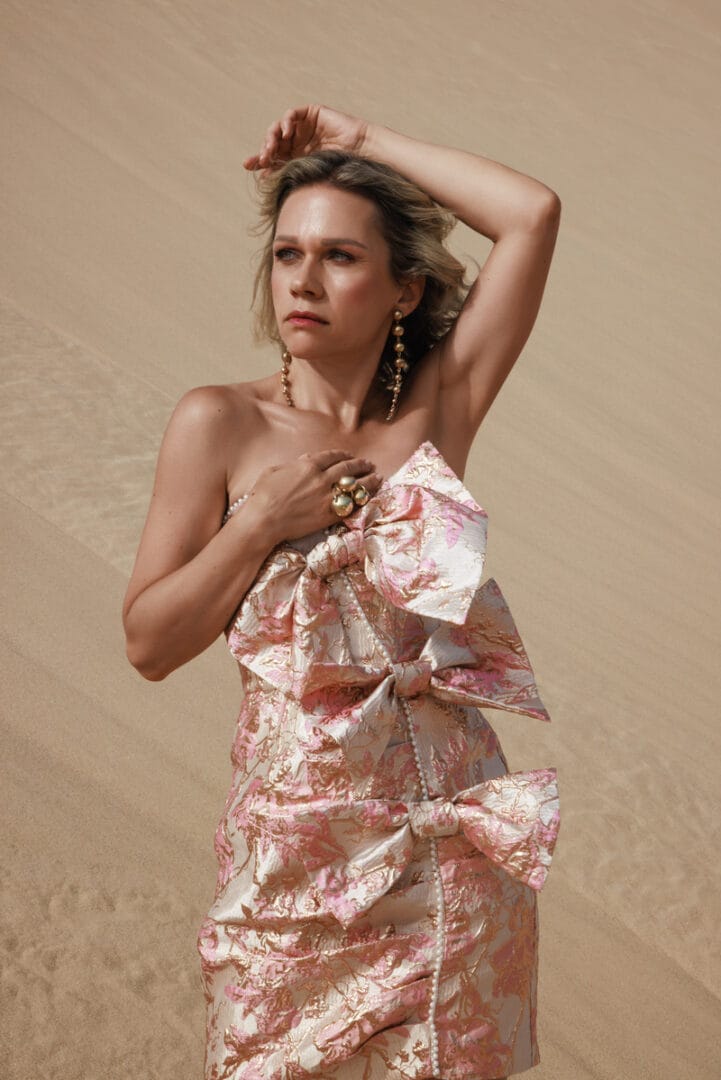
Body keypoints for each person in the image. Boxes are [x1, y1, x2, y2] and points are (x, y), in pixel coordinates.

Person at [123, 104, 562, 1080]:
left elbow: (530, 213)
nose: (303, 281)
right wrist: (260, 523)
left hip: (444, 860)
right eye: (287, 254)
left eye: (339, 257)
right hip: (294, 871)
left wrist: (358, 143)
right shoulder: (218, 423)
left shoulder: (440, 407)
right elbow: (148, 643)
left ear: (405, 289)